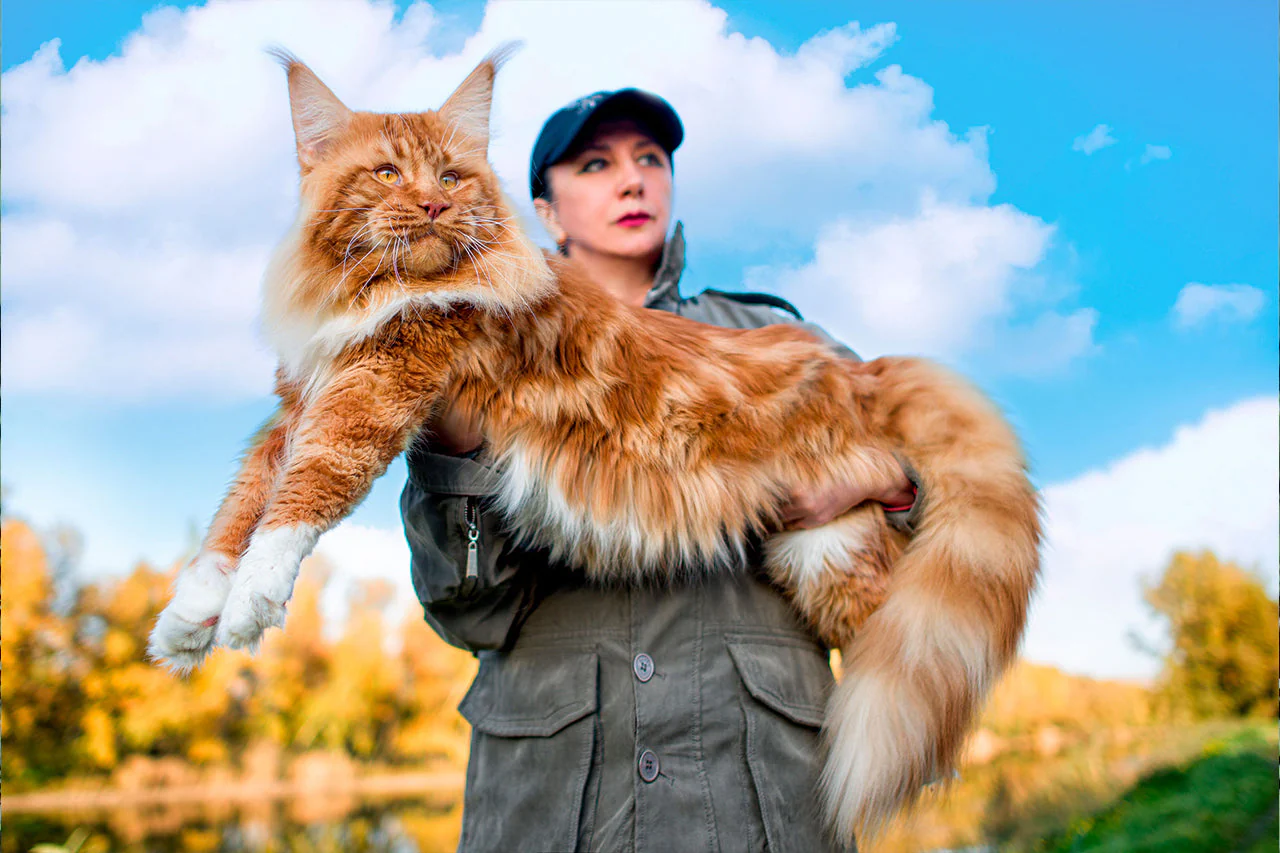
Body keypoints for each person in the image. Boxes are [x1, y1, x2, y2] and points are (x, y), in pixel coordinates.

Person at [399, 89, 921, 853]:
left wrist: (873, 480)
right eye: (595, 163)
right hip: (554, 807)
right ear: (546, 210)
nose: (633, 179)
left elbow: (950, 483)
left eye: (650, 158)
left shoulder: (775, 335)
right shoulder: (483, 344)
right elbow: (468, 610)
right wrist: (455, 452)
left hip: (768, 803)